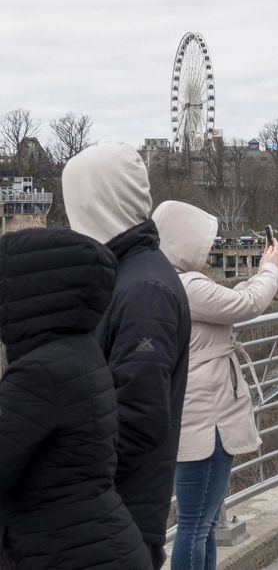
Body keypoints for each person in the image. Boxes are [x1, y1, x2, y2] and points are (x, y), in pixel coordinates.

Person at [61, 142, 191, 568]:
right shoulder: (132, 274)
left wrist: (63, 475)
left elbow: (138, 414)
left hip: (116, 518)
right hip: (113, 512)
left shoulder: (143, 291)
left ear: (97, 203)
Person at [0, 228, 151, 570]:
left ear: (28, 291)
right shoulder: (77, 350)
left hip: (73, 553)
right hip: (94, 546)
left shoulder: (40, 372)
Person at [153, 201, 278, 570]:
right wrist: (269, 270)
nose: (210, 250)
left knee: (204, 524)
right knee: (196, 524)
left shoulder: (167, 280)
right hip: (206, 422)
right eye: (204, 242)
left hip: (195, 417)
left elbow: (226, 304)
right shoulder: (187, 284)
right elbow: (246, 304)